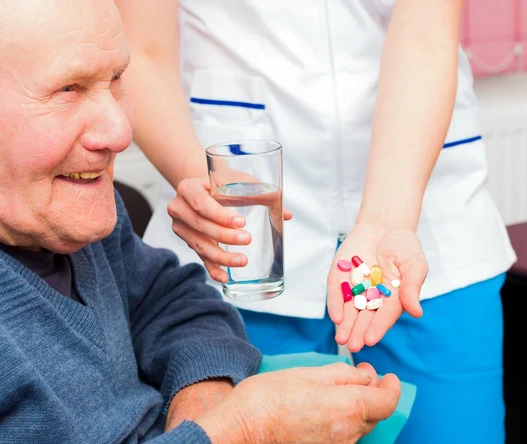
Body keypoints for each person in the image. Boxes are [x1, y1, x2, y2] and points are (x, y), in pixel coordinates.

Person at [0, 0, 403, 442]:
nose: (119, 131)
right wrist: (242, 428)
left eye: (116, 79)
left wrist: (203, 401)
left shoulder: (60, 207)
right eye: (67, 89)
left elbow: (175, 301)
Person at [119, 0, 517, 442]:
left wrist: (389, 221)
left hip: (426, 205)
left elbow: (426, 33)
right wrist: (203, 182)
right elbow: (140, 47)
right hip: (243, 220)